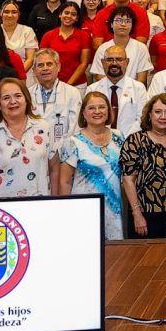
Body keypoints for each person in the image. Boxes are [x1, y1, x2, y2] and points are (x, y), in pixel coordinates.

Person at [0, 77, 60, 198]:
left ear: (27, 100)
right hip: (4, 208)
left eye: (18, 96)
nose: (13, 101)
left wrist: (54, 201)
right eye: (6, 98)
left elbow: (54, 170)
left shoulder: (44, 128)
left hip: (40, 204)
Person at [60, 91, 125, 240]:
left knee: (116, 252)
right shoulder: (72, 142)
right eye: (91, 108)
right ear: (83, 113)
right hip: (84, 209)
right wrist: (65, 211)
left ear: (109, 111)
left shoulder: (119, 136)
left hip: (115, 210)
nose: (97, 111)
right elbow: (65, 181)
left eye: (102, 107)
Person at [120, 94, 166, 239]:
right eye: (158, 111)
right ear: (149, 114)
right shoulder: (135, 140)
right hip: (144, 215)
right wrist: (137, 214)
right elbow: (128, 180)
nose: (163, 116)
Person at [86, 45, 149, 135]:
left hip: (131, 139)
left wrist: (125, 139)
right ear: (103, 62)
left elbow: (142, 119)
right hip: (100, 139)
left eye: (119, 59)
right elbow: (89, 120)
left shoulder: (139, 88)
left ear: (127, 62)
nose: (114, 63)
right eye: (109, 60)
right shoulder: (92, 89)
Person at [29, 48, 82, 143]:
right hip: (34, 146)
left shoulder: (72, 93)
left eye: (49, 64)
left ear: (58, 67)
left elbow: (75, 129)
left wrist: (63, 148)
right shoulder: (27, 94)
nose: (45, 68)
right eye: (40, 65)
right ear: (34, 70)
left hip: (64, 147)